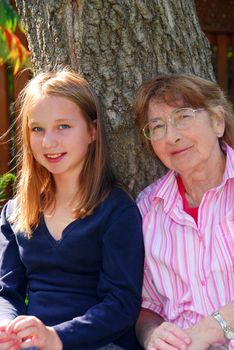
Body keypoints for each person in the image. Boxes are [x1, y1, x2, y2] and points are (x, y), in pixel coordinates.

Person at [0, 69, 144, 350]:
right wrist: (7, 327)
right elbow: (5, 291)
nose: (49, 142)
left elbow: (122, 304)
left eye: (63, 126)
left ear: (92, 130)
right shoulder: (15, 212)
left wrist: (57, 337)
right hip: (32, 343)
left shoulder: (116, 210)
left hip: (101, 342)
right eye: (37, 129)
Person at [133, 73, 234, 350]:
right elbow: (148, 304)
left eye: (183, 117)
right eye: (157, 126)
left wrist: (213, 328)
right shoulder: (147, 208)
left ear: (217, 121)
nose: (172, 137)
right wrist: (151, 334)